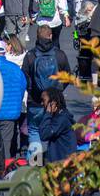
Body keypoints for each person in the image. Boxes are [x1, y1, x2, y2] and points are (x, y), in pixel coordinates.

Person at [21, 27, 70, 155]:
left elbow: (24, 78)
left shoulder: (30, 56)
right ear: (50, 36)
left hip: (35, 101)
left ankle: (34, 164)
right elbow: (68, 76)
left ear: (37, 37)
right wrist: (58, 91)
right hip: (55, 102)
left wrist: (32, 90)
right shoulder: (59, 55)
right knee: (55, 130)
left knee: (34, 131)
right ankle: (52, 161)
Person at [0, 40, 27, 166]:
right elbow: (22, 88)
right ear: (5, 52)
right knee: (5, 144)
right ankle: (4, 169)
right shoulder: (15, 69)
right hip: (9, 114)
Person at [37, 86, 77, 163]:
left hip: (62, 163)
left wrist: (48, 114)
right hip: (58, 159)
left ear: (53, 103)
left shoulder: (61, 119)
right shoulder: (58, 115)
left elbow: (44, 135)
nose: (41, 103)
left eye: (43, 100)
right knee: (34, 160)